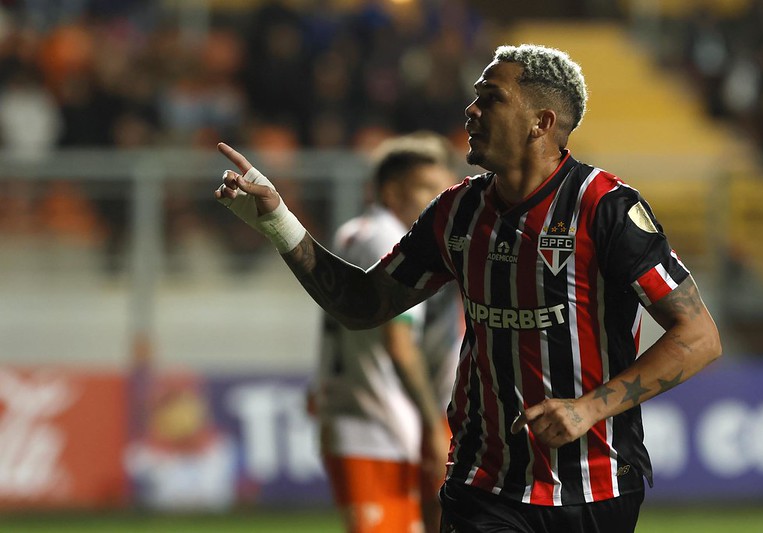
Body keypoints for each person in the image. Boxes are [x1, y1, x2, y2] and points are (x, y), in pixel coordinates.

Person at [215, 43, 722, 533]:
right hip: (482, 484)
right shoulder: (455, 211)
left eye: (491, 98)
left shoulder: (606, 209)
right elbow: (363, 304)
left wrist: (589, 407)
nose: (471, 110)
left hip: (594, 487)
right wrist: (280, 224)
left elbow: (699, 337)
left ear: (540, 123)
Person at [308, 132, 461, 533]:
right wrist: (433, 425)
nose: (439, 200)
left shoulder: (354, 232)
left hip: (366, 419)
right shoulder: (387, 238)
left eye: (444, 189)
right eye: (427, 189)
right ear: (392, 192)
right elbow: (399, 344)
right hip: (376, 424)